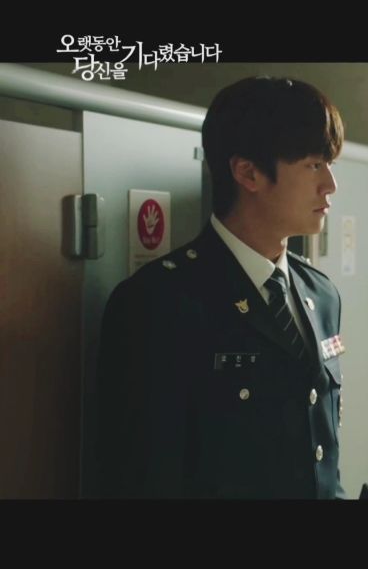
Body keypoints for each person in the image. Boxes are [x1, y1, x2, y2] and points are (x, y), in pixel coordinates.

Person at [96, 76, 348, 498]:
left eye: (330, 164)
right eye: (313, 165)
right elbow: (144, 479)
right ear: (248, 172)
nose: (330, 185)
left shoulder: (320, 295)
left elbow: (323, 461)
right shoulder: (160, 301)